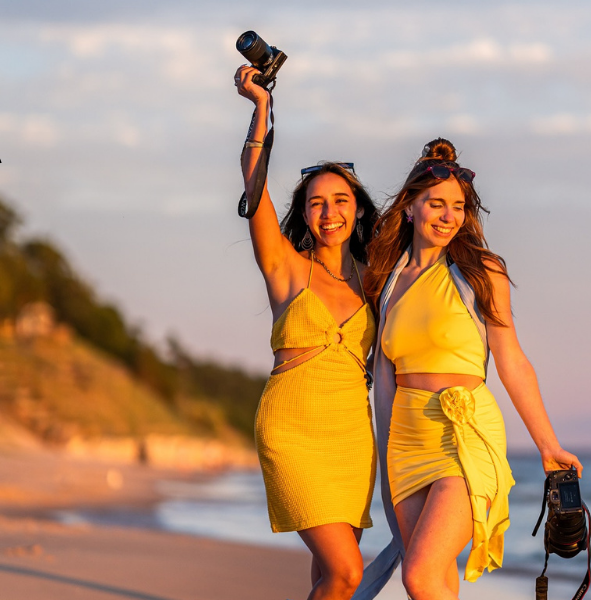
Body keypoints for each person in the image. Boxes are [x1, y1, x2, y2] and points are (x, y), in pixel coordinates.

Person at [361, 138, 583, 600]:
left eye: (457, 207)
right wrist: (378, 456)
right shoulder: (386, 280)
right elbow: (382, 379)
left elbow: (513, 361)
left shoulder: (481, 271)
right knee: (437, 580)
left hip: (466, 433)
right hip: (405, 439)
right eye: (436, 204)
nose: (447, 217)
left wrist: (548, 445)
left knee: (419, 575)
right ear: (409, 208)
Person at [234, 66, 379, 600]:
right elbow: (253, 180)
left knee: (327, 576)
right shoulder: (286, 267)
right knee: (347, 573)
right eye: (316, 202)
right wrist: (260, 109)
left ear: (357, 209)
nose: (329, 211)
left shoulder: (373, 282)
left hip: (350, 436)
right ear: (304, 212)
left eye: (340, 200)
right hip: (292, 429)